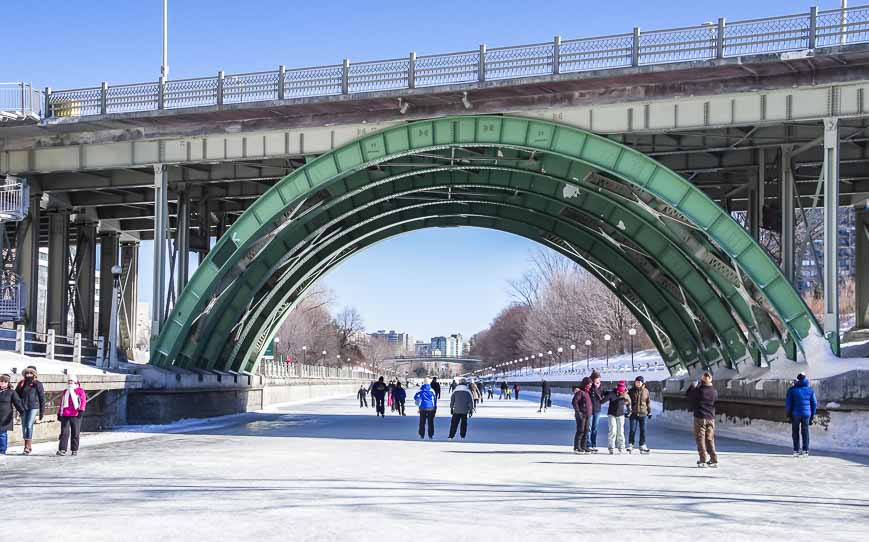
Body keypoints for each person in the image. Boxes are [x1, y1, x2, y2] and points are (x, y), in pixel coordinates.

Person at [686, 371, 718, 468]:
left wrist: (693, 386)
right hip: (711, 418)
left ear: (702, 379)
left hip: (700, 417)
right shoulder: (714, 391)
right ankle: (713, 459)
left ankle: (703, 459)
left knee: (700, 439)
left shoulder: (699, 391)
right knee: (709, 439)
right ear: (711, 379)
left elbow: (689, 395)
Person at [785, 372, 817, 457]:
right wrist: (812, 416)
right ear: (805, 379)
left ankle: (796, 450)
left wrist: (788, 414)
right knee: (805, 432)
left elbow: (788, 404)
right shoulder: (810, 390)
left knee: (795, 431)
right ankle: (805, 450)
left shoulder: (792, 390)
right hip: (807, 414)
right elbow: (814, 403)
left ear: (797, 379)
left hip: (795, 414)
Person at [15, 365, 45, 455]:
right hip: (23, 407)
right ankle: (27, 446)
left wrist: (42, 412)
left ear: (34, 374)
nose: (28, 375)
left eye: (30, 373)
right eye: (27, 373)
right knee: (24, 427)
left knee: (28, 425)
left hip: (33, 407)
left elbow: (42, 398)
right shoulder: (21, 383)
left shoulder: (37, 384)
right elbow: (16, 396)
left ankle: (27, 446)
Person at [57, 373, 87, 457]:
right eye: (69, 381)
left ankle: (74, 449)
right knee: (64, 432)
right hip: (65, 414)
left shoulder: (79, 390)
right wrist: (59, 413)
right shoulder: (65, 391)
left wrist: (81, 410)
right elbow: (61, 403)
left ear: (75, 381)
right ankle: (62, 449)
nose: (70, 382)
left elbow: (83, 401)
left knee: (75, 432)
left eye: (71, 381)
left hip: (76, 414)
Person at [603, 380, 631, 454]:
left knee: (620, 431)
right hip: (611, 414)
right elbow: (602, 401)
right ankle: (611, 447)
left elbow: (629, 403)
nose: (621, 393)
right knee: (612, 430)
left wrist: (629, 412)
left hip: (621, 415)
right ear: (617, 389)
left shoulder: (625, 394)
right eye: (620, 391)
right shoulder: (612, 393)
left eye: (622, 391)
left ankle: (621, 446)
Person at [0, 374, 24, 455]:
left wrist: (22, 412)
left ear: (8, 383)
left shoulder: (11, 392)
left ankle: (2, 450)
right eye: (1, 381)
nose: (3, 383)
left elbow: (17, 403)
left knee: (2, 433)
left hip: (5, 416)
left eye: (5, 382)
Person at [627, 375, 652, 453]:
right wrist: (628, 411)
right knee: (632, 430)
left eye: (639, 382)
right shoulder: (631, 391)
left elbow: (648, 402)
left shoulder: (646, 391)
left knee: (643, 430)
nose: (637, 383)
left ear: (642, 383)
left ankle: (642, 445)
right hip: (633, 414)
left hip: (643, 413)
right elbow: (627, 402)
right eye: (636, 382)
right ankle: (631, 444)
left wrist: (649, 411)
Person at [571, 378, 593, 454]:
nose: (590, 386)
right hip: (581, 415)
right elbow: (574, 402)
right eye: (588, 385)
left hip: (588, 415)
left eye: (590, 385)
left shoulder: (587, 392)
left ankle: (583, 446)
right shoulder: (580, 392)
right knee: (581, 430)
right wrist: (578, 411)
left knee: (586, 430)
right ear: (585, 384)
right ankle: (577, 447)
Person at [586, 371, 605, 452]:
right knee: (588, 428)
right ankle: (588, 444)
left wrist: (597, 387)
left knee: (594, 428)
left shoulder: (601, 387)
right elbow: (578, 388)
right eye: (596, 380)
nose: (598, 382)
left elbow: (604, 396)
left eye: (599, 380)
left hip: (597, 410)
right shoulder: (589, 386)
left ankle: (593, 444)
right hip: (589, 410)